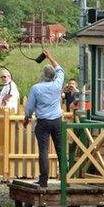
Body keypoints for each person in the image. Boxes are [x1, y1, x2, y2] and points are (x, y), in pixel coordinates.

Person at [22, 50, 65, 187]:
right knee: (60, 149)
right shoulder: (57, 85)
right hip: (57, 120)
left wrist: (27, 118)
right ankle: (65, 178)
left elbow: (30, 107)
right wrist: (50, 57)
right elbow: (60, 70)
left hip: (43, 121)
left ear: (43, 75)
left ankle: (43, 180)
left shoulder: (36, 88)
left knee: (44, 150)